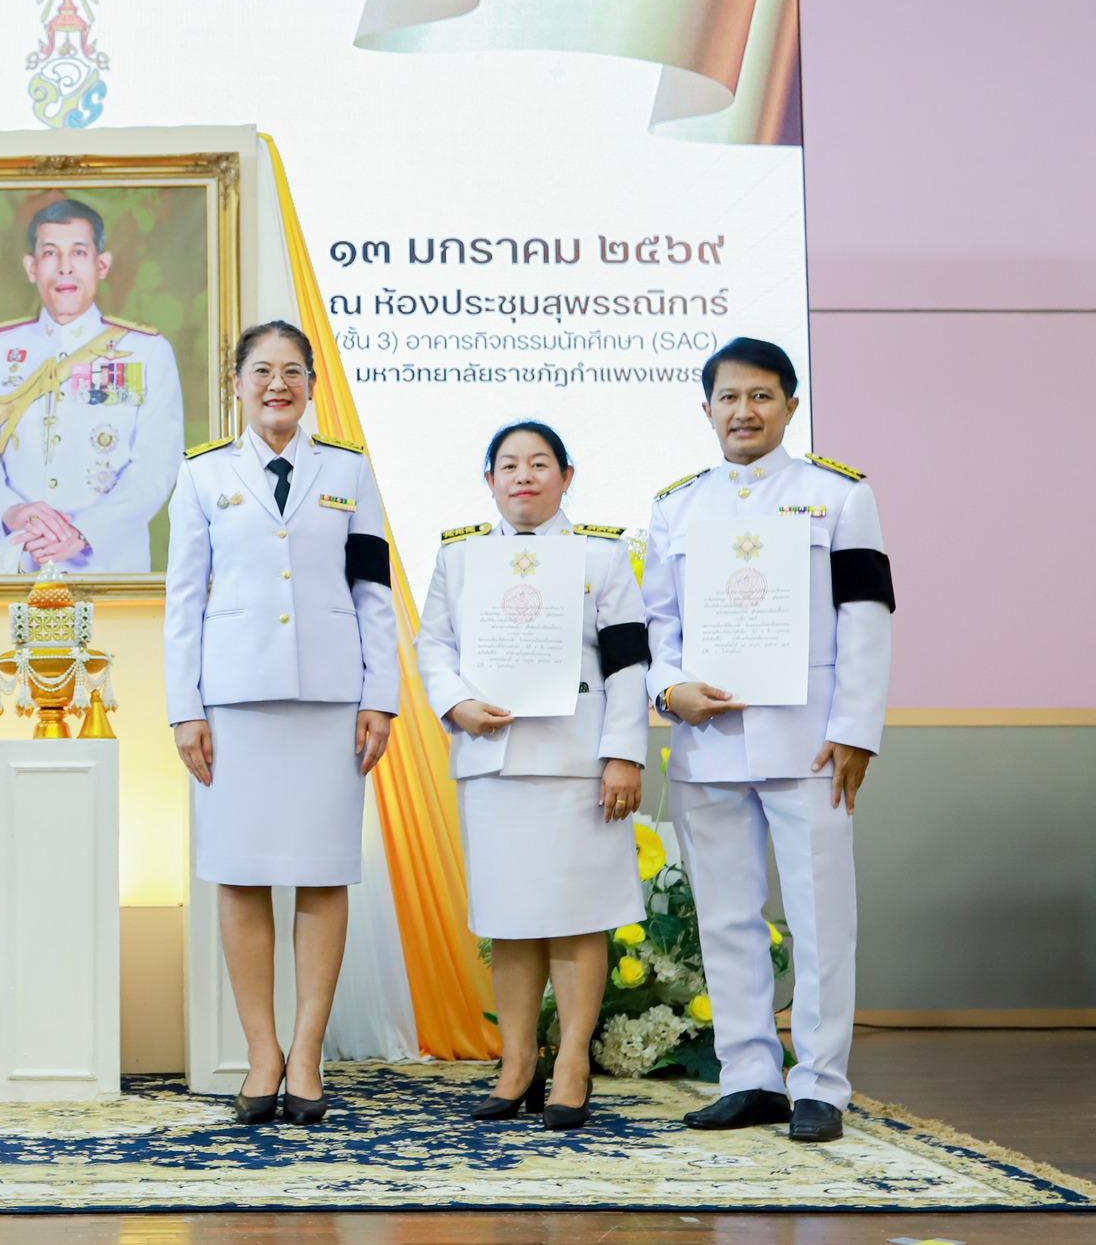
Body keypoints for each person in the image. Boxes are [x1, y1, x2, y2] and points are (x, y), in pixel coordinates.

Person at [644, 337, 893, 1143]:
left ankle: (820, 1080)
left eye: (760, 396)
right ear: (707, 408)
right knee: (724, 915)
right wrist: (667, 687)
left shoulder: (839, 497)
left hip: (809, 744)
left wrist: (855, 730)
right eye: (728, 397)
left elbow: (866, 619)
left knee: (823, 916)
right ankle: (749, 1073)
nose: (743, 411)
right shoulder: (676, 506)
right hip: (707, 743)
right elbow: (659, 624)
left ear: (790, 403)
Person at [163, 318, 396, 1125]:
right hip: (235, 703)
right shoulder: (200, 477)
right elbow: (183, 601)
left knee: (325, 872)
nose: (277, 385)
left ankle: (307, 1052)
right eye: (262, 370)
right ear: (236, 384)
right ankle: (261, 1050)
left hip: (332, 701)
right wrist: (184, 708)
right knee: (242, 872)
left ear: (311, 385)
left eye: (293, 371)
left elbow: (374, 592)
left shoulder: (350, 472)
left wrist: (381, 694)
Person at [414, 420, 648, 1130]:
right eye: (508, 464)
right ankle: (517, 1064)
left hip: (580, 762)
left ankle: (571, 1062)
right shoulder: (459, 557)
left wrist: (624, 752)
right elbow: (434, 645)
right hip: (495, 759)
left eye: (539, 463)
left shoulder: (602, 555)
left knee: (578, 916)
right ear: (489, 480)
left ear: (566, 476)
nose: (524, 476)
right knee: (510, 920)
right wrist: (456, 702)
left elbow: (629, 662)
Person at [0, 197, 186, 574]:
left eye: (78, 252)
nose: (64, 268)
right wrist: (11, 511)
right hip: (19, 561)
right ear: (31, 267)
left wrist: (83, 531)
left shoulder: (146, 352)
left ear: (101, 264)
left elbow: (158, 465)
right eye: (49, 253)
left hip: (110, 565)